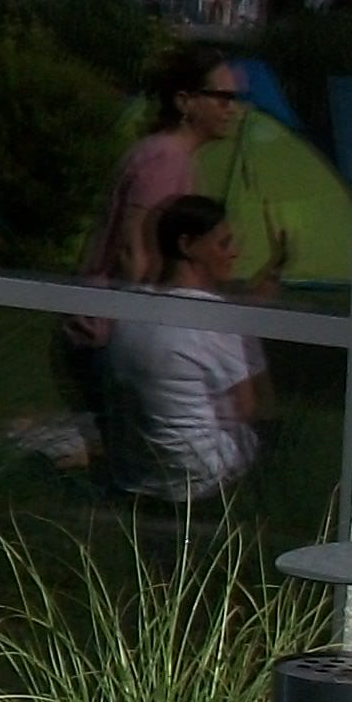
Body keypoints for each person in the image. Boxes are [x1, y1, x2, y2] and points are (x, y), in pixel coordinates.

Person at [104, 195, 267, 500]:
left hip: (135, 471)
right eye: (224, 244)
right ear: (187, 245)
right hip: (197, 477)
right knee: (269, 433)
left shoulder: (131, 307)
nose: (234, 253)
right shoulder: (217, 317)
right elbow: (249, 407)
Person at [81, 46, 249, 290]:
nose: (232, 110)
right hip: (116, 308)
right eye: (223, 99)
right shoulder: (165, 159)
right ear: (185, 101)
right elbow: (134, 251)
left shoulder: (168, 154)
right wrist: (144, 309)